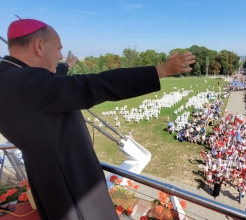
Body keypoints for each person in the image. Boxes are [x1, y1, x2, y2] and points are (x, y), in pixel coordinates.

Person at [0, 18, 196, 220]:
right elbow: (93, 85)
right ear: (39, 45)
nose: (60, 55)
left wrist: (66, 66)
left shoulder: (10, 76)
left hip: (47, 176)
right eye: (58, 49)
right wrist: (161, 70)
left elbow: (53, 83)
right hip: (73, 183)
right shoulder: (28, 83)